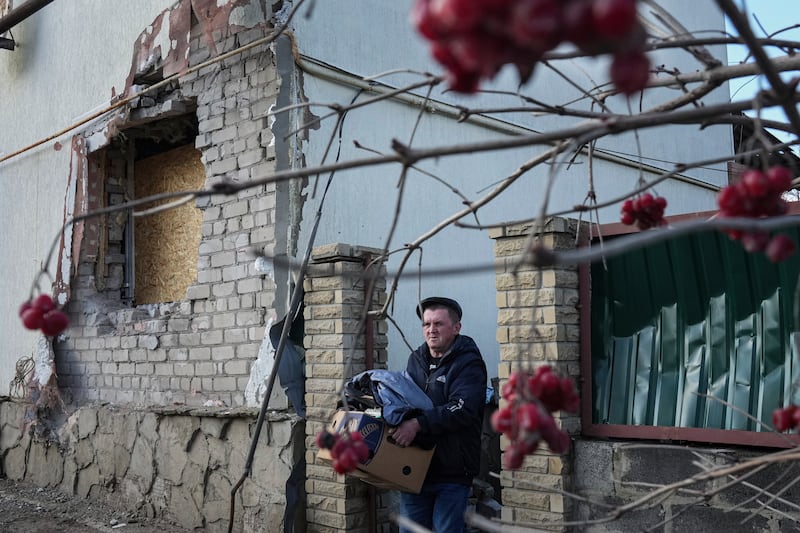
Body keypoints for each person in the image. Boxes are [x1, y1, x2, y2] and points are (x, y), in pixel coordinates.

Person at [390, 296, 487, 533]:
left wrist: (418, 424)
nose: (431, 330)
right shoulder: (416, 360)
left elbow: (462, 408)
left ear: (456, 328)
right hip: (415, 469)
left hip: (452, 472)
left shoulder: (468, 363)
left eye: (438, 324)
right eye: (427, 324)